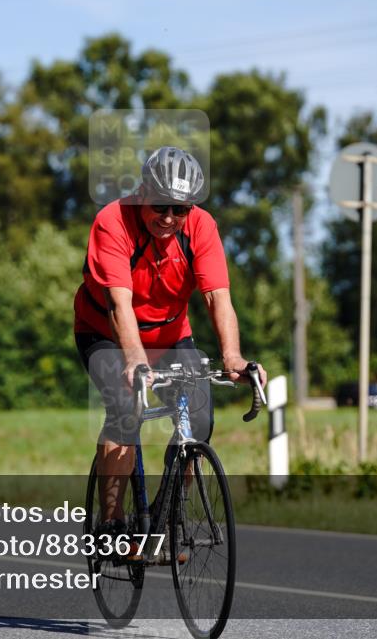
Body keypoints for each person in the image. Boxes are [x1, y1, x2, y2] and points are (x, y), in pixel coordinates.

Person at [74, 146, 266, 538]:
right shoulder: (113, 221)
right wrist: (134, 360)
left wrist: (232, 357)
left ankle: (166, 514)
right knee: (124, 408)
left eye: (180, 209)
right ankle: (111, 521)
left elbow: (218, 298)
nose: (168, 218)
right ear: (142, 192)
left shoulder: (201, 227)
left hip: (170, 334)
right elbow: (118, 303)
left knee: (199, 420)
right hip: (107, 333)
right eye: (160, 205)